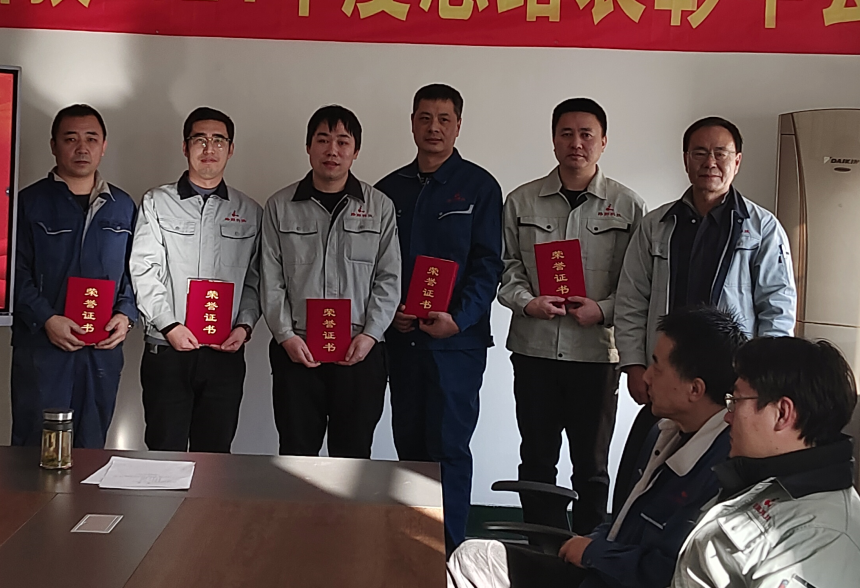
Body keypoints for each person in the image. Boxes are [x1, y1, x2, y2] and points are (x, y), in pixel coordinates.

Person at [447, 306, 746, 588]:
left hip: (612, 574)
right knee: (472, 557)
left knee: (471, 563)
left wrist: (593, 553)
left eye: (657, 366)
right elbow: (625, 522)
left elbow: (672, 571)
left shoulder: (722, 470)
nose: (647, 376)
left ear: (695, 389)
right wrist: (593, 543)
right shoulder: (666, 431)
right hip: (602, 569)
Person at [613, 117, 796, 510]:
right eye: (699, 152)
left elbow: (777, 309)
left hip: (731, 381)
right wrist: (634, 365)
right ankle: (631, 535)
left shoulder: (762, 228)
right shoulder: (657, 225)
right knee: (646, 468)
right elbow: (631, 299)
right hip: (667, 374)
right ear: (685, 159)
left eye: (720, 153)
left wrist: (763, 378)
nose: (710, 162)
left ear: (737, 161)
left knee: (714, 478)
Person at [497, 98, 647, 534]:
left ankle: (587, 551)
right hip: (535, 351)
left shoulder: (628, 206)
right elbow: (506, 266)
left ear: (603, 141)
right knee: (536, 458)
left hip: (596, 356)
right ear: (553, 140)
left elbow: (639, 282)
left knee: (592, 465)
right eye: (566, 133)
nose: (576, 143)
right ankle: (540, 550)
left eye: (586, 134)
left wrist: (603, 310)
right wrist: (527, 301)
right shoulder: (521, 201)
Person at [375, 83, 504, 553]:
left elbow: (488, 265)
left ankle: (448, 553)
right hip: (404, 341)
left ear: (458, 125)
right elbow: (378, 265)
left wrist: (459, 318)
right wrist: (390, 314)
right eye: (425, 118)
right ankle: (411, 549)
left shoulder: (480, 187)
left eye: (444, 119)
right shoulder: (388, 190)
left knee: (448, 449)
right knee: (409, 447)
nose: (434, 128)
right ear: (412, 123)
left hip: (456, 345)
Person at [261, 105, 400, 458]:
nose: (332, 150)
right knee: (296, 454)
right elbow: (271, 279)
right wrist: (286, 336)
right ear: (308, 146)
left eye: (342, 141)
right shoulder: (279, 206)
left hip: (359, 353)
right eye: (323, 140)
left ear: (356, 150)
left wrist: (370, 335)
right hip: (298, 350)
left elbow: (389, 277)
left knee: (353, 457)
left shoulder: (380, 207)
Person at [672, 336, 860, 587]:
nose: (727, 417)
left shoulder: (822, 537)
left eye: (735, 401)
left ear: (782, 413)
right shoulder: (761, 480)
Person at [130, 107, 262, 453]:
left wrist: (244, 326)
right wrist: (169, 325)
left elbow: (255, 280)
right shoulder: (157, 202)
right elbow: (143, 269)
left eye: (218, 140)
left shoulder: (249, 211)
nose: (209, 148)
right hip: (167, 348)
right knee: (164, 453)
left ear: (231, 149)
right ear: (185, 146)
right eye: (200, 139)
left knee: (215, 457)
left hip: (224, 352)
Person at [11, 104, 137, 448]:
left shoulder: (123, 206)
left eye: (91, 139)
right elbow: (13, 272)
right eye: (71, 139)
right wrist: (47, 319)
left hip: (100, 352)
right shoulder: (27, 204)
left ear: (104, 145)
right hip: (43, 348)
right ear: (53, 145)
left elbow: (135, 271)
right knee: (36, 450)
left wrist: (126, 315)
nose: (82, 148)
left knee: (91, 448)